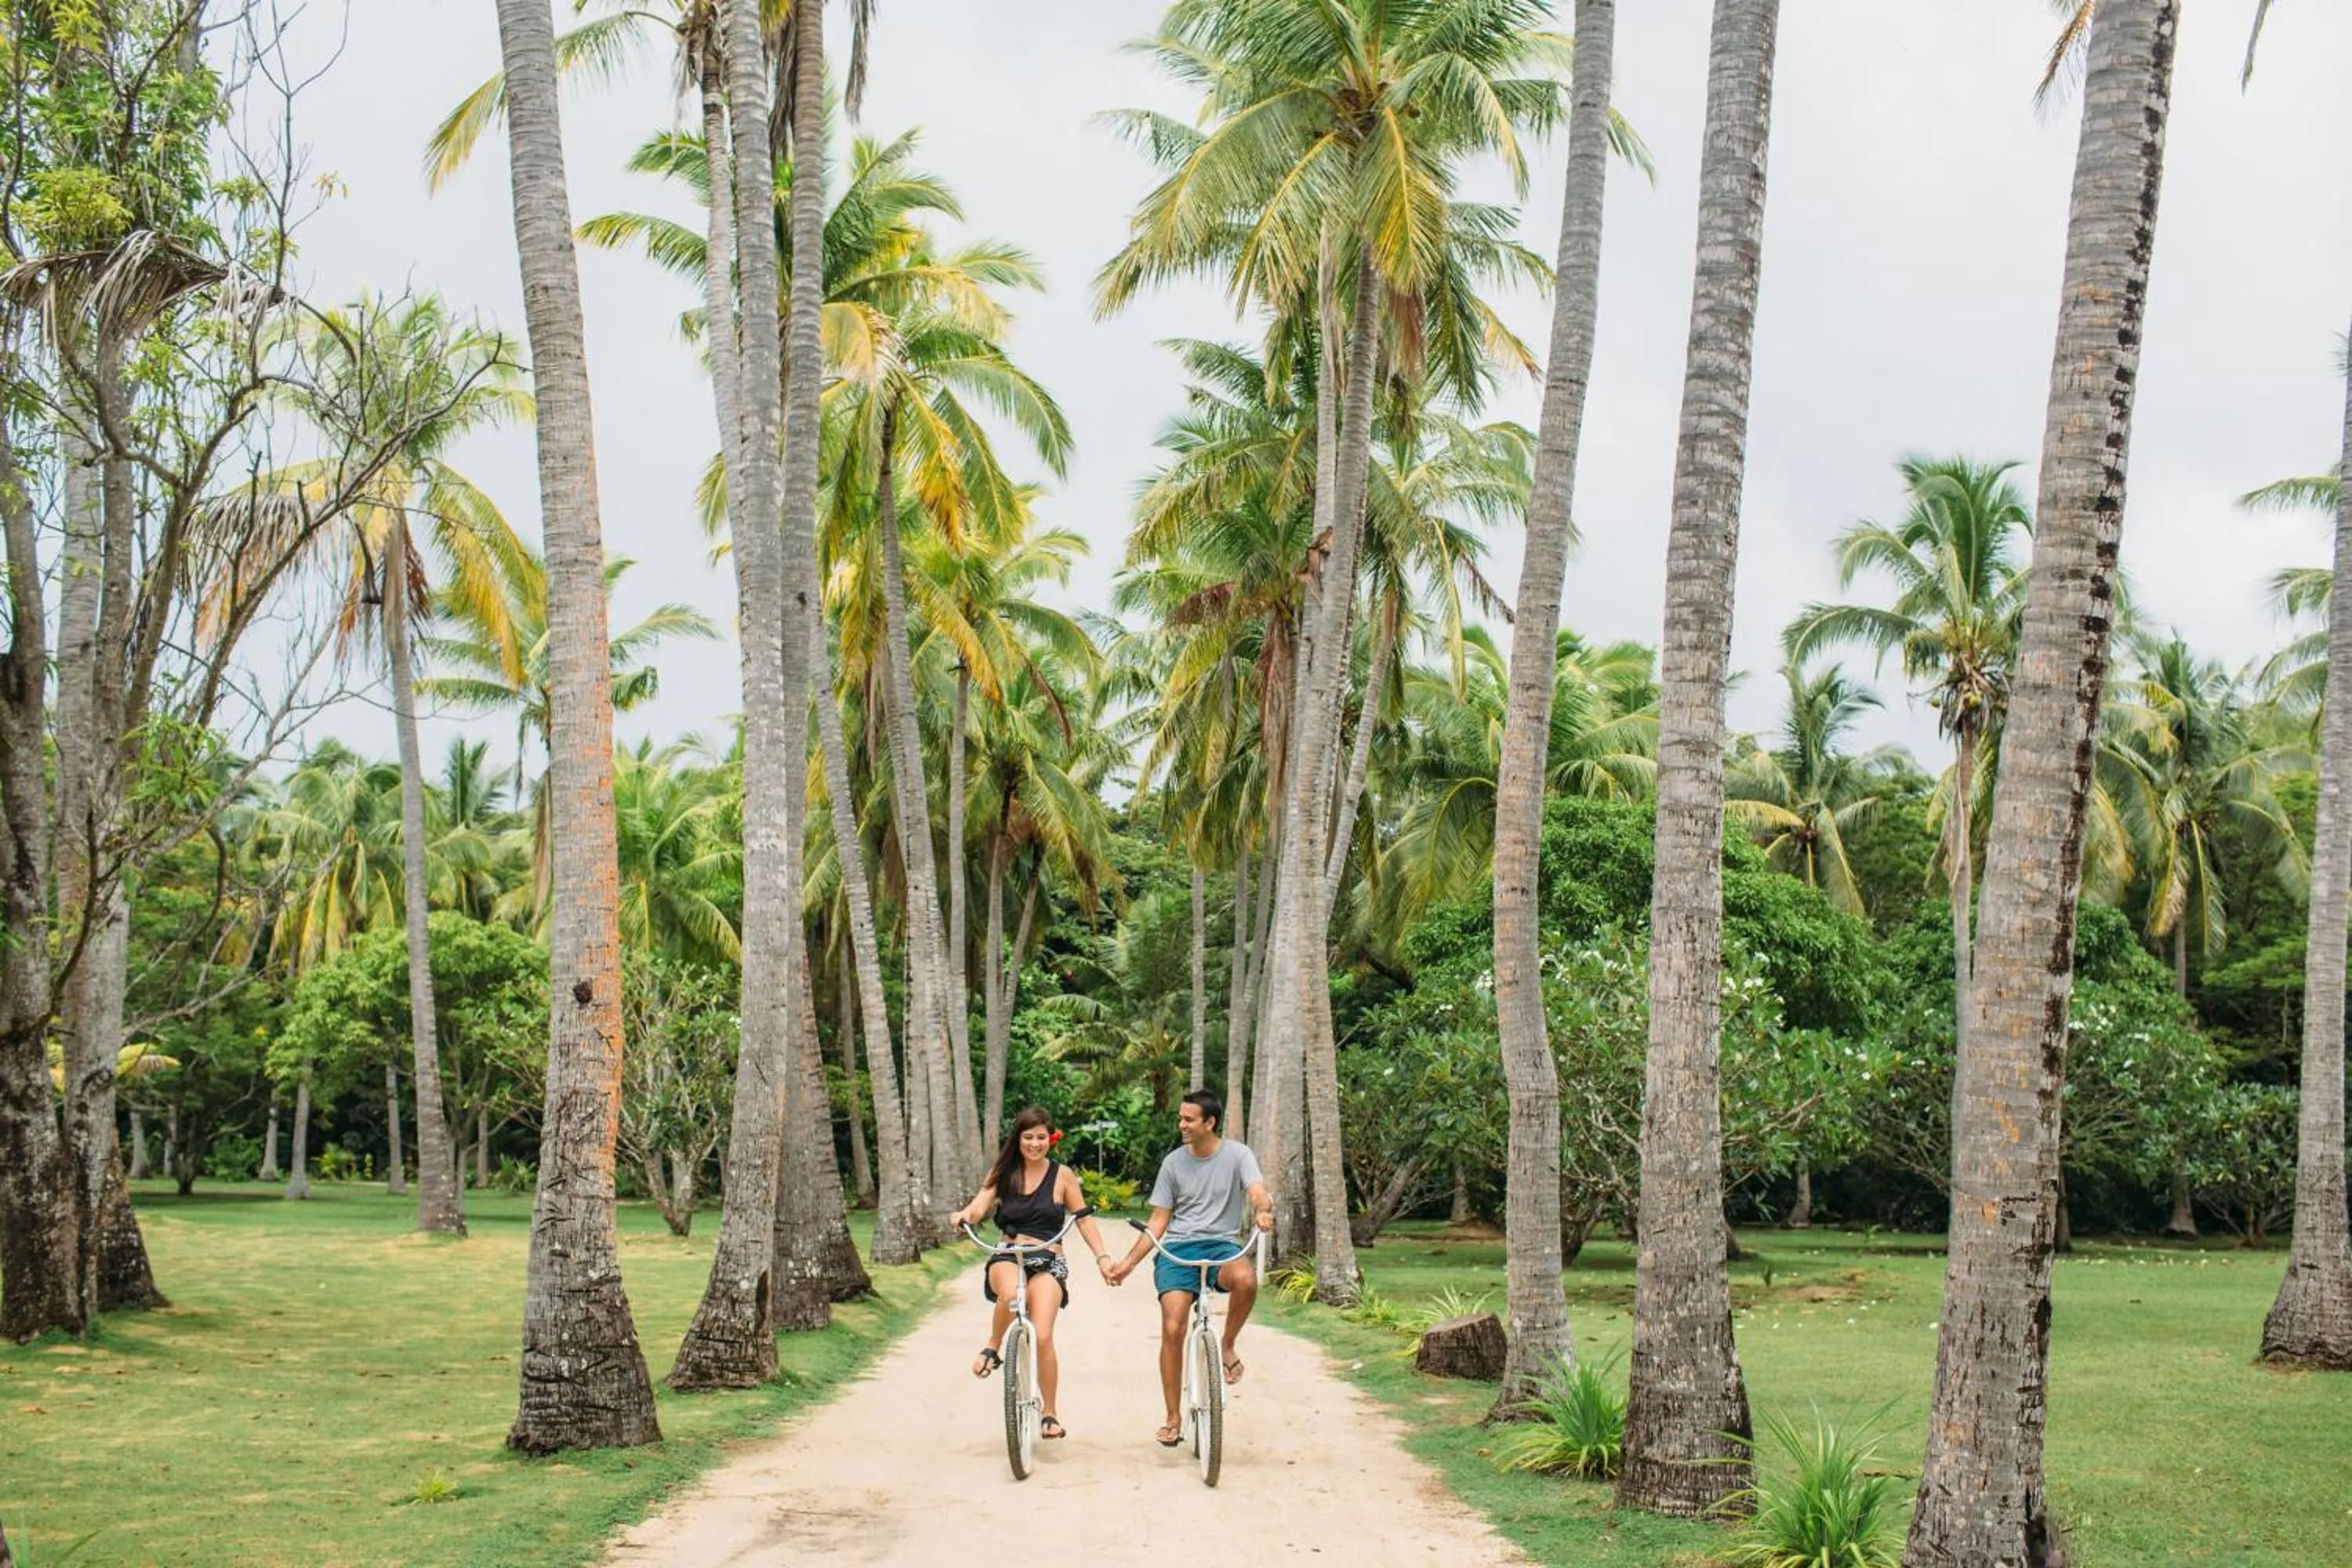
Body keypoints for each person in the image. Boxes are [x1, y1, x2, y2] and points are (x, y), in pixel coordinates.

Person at [1105, 1089, 1275, 1448]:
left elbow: (1257, 1190)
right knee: (1172, 1325)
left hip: (1221, 1245)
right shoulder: (1173, 1163)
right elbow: (1158, 1220)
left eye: (1188, 1119)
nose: (1181, 1125)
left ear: (1209, 1123)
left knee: (1245, 1280)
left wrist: (1262, 1209)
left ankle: (1227, 1346)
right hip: (1178, 1249)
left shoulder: (1238, 1155)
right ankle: (1172, 1417)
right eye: (1180, 1118)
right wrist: (1128, 1265)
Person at [947, 1105, 1112, 1442]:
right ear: (1018, 1138)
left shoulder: (1062, 1175)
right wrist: (965, 1214)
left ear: (1050, 1138)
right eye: (1028, 1138)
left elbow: (1083, 1218)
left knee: (1043, 1336)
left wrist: (1102, 1257)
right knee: (1009, 1295)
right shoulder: (1004, 1171)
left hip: (1049, 1259)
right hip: (1009, 1254)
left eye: (1041, 1138)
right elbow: (981, 1204)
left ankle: (1049, 1413)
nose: (1035, 1144)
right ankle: (993, 1348)